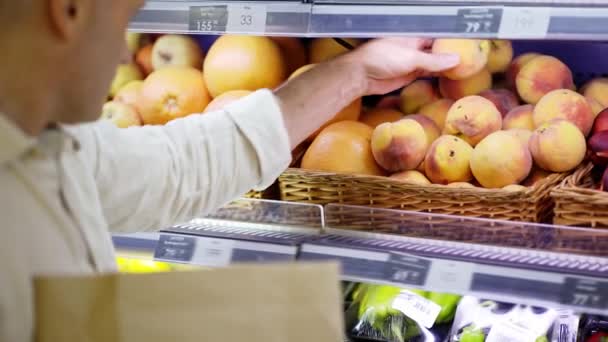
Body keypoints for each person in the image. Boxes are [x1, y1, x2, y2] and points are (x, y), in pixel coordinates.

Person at [0, 0, 459, 341]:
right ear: (69, 11)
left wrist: (356, 73)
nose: (124, 54)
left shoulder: (51, 146)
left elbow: (182, 164)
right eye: (124, 20)